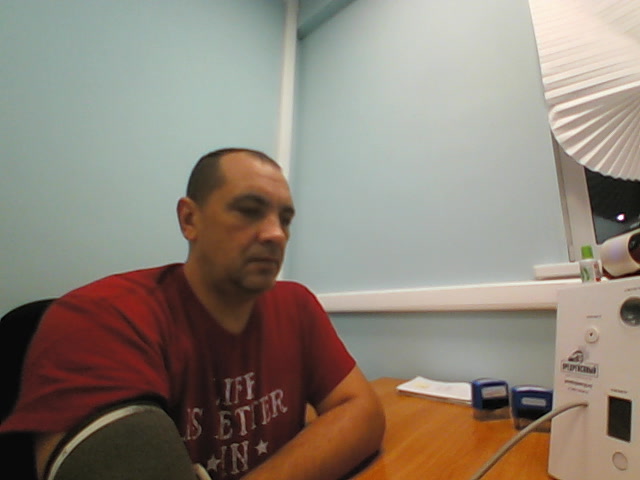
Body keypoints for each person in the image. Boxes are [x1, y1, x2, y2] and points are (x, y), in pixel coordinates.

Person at [0, 148, 385, 480]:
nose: (276, 234)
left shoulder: (296, 304)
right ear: (189, 219)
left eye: (285, 219)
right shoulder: (98, 319)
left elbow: (361, 409)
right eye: (249, 211)